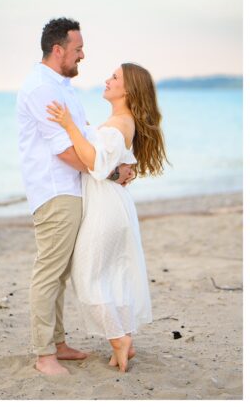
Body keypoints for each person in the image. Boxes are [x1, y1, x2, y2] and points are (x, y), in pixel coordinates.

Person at [15, 17, 135, 376]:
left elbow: (87, 136)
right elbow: (65, 151)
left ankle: (59, 343)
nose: (83, 55)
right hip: (55, 191)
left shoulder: (63, 86)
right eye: (78, 49)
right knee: (49, 271)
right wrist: (112, 172)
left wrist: (125, 160)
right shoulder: (40, 88)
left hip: (75, 188)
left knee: (62, 272)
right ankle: (43, 355)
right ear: (58, 50)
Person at [46, 63, 167, 373]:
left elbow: (95, 164)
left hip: (105, 209)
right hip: (113, 205)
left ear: (127, 90)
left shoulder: (117, 125)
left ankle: (118, 339)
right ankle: (126, 340)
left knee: (87, 277)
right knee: (114, 275)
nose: (107, 80)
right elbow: (112, 164)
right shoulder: (120, 122)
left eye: (114, 77)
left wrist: (69, 125)